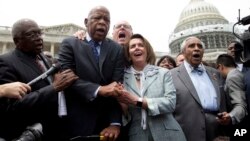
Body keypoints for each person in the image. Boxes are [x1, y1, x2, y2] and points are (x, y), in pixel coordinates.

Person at [0, 18, 78, 141]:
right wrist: (53, 88)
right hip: (26, 134)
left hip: (53, 131)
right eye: (31, 34)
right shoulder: (6, 62)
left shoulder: (43, 58)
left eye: (39, 32)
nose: (39, 37)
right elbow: (10, 108)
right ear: (17, 41)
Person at [58, 6, 124, 141]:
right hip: (76, 123)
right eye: (97, 18)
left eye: (106, 20)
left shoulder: (116, 49)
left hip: (107, 127)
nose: (102, 22)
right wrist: (99, 89)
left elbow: (117, 86)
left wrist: (115, 123)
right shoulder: (70, 44)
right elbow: (67, 79)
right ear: (86, 22)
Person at [116, 34, 186, 141]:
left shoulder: (163, 73)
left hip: (169, 135)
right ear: (128, 54)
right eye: (133, 46)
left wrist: (137, 101)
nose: (137, 48)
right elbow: (127, 117)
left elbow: (171, 104)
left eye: (141, 45)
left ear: (147, 51)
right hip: (138, 136)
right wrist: (124, 108)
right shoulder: (122, 78)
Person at [170, 36, 227, 141]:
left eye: (199, 46)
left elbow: (223, 103)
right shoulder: (171, 75)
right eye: (191, 46)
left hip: (218, 132)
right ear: (183, 52)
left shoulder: (215, 73)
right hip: (187, 133)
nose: (196, 48)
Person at [216, 54, 248, 140]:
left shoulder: (232, 77)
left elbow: (240, 105)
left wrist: (230, 116)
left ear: (220, 67)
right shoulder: (238, 73)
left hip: (241, 126)